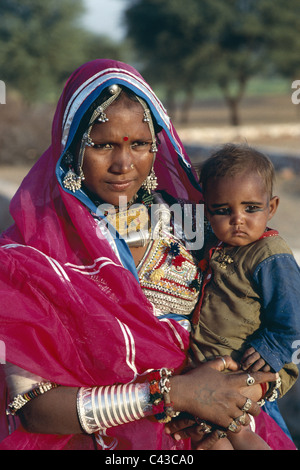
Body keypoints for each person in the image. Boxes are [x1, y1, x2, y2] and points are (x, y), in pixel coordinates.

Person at [0, 60, 276, 451]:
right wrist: (174, 395)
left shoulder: (199, 224)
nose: (124, 164)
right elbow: (32, 407)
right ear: (73, 147)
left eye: (139, 144)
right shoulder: (32, 255)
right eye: (104, 144)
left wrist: (241, 390)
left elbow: (269, 316)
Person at [190, 143, 300, 449]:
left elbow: (294, 314)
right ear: (207, 211)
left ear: (272, 208)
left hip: (249, 365)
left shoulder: (270, 256)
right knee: (215, 433)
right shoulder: (218, 247)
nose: (238, 218)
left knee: (229, 427)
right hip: (215, 364)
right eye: (223, 211)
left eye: (251, 208)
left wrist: (270, 349)